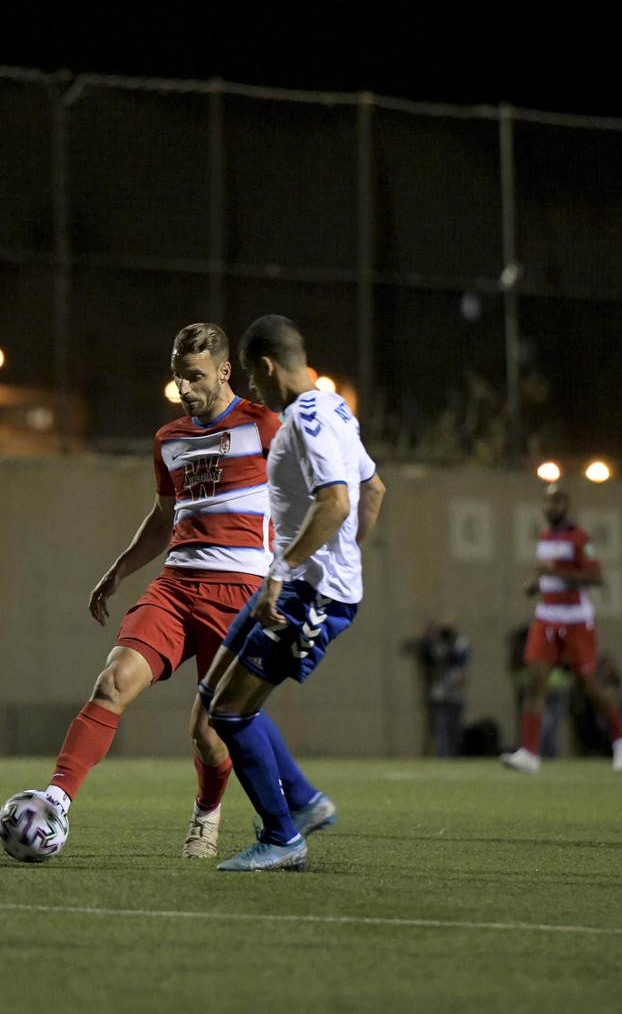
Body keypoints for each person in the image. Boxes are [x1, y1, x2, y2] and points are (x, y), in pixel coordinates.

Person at [32, 323, 274, 859]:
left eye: (195, 377)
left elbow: (310, 493)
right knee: (112, 682)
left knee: (209, 737)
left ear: (225, 371)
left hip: (239, 595)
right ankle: (53, 802)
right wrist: (119, 569)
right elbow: (166, 516)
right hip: (176, 588)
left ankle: (207, 814)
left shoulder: (265, 427)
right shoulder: (170, 439)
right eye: (178, 378)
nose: (185, 389)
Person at [202, 314, 387, 872]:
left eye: (254, 382)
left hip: (305, 593)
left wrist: (290, 571)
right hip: (300, 583)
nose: (254, 393)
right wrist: (341, 557)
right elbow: (373, 488)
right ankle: (304, 803)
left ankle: (283, 838)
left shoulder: (307, 417)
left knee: (231, 714)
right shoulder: (333, 406)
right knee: (215, 697)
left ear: (265, 366)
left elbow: (337, 501)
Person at [501, 483, 622, 773]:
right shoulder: (545, 537)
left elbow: (596, 577)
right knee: (535, 680)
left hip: (575, 619)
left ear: (567, 505)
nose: (552, 507)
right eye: (548, 502)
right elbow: (551, 576)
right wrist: (537, 585)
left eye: (558, 502)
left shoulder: (579, 538)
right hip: (547, 615)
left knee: (587, 683)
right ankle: (530, 753)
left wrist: (554, 574)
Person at [417, 622, 470, 758]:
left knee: (455, 730)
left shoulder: (459, 647)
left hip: (454, 696)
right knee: (441, 730)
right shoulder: (436, 649)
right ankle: (443, 756)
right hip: (439, 695)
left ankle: (455, 755)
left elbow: (462, 673)